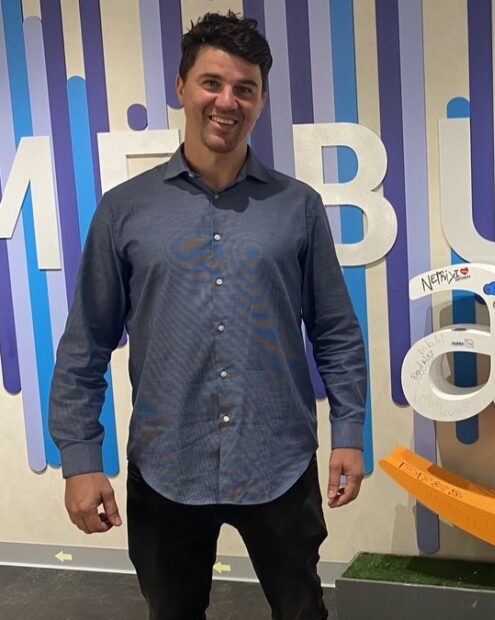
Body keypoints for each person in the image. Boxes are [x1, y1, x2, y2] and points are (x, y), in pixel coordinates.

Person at [48, 12, 366, 619]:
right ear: (181, 87)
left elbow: (335, 332)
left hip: (278, 461)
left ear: (261, 100)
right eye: (211, 83)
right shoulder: (124, 211)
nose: (227, 101)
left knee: (302, 611)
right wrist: (81, 461)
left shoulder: (298, 207)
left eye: (245, 88)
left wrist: (349, 433)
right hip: (166, 464)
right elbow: (85, 346)